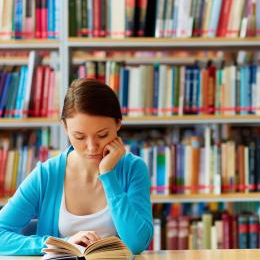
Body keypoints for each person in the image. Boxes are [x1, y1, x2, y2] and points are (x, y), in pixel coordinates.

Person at [0, 78, 153, 255]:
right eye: (80, 137)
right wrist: (60, 244)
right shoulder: (46, 175)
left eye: (102, 135)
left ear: (118, 123)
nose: (92, 147)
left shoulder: (133, 169)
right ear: (65, 127)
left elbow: (137, 243)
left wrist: (108, 175)